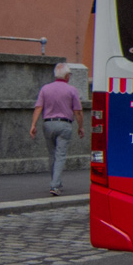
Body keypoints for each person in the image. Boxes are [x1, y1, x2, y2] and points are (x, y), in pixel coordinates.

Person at [30, 62, 84, 195]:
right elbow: (78, 111)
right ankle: (55, 185)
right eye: (69, 74)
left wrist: (33, 124)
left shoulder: (45, 88)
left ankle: (56, 181)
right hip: (65, 124)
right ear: (66, 76)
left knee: (52, 155)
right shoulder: (72, 90)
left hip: (48, 124)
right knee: (60, 155)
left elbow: (38, 107)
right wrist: (80, 127)